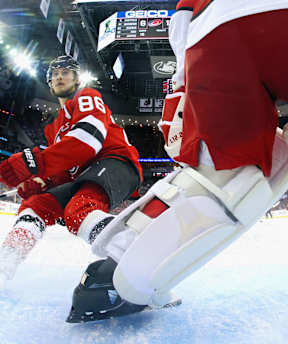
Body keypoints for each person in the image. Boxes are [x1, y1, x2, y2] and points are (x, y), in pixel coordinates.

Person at [76, 0, 288, 319]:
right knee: (231, 177)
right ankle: (127, 275)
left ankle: (111, 274)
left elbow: (181, 24)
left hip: (212, 25)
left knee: (224, 172)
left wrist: (182, 92)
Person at [0, 56, 143, 295]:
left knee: (79, 211)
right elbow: (64, 171)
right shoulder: (53, 127)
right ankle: (5, 261)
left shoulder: (87, 96)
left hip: (115, 161)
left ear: (77, 79)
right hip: (85, 174)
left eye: (66, 72)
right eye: (55, 74)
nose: (59, 77)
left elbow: (88, 140)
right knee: (35, 205)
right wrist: (40, 183)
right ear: (50, 84)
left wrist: (35, 162)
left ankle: (137, 257)